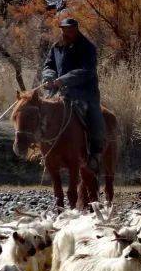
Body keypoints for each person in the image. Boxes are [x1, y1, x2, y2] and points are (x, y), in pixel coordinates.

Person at [40, 18, 105, 172]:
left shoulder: (88, 47)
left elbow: (86, 71)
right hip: (58, 92)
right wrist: (49, 77)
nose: (65, 32)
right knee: (41, 112)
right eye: (63, 29)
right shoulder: (56, 47)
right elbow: (49, 65)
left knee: (95, 117)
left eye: (68, 29)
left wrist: (62, 80)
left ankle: (95, 153)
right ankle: (44, 152)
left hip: (85, 93)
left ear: (76, 29)